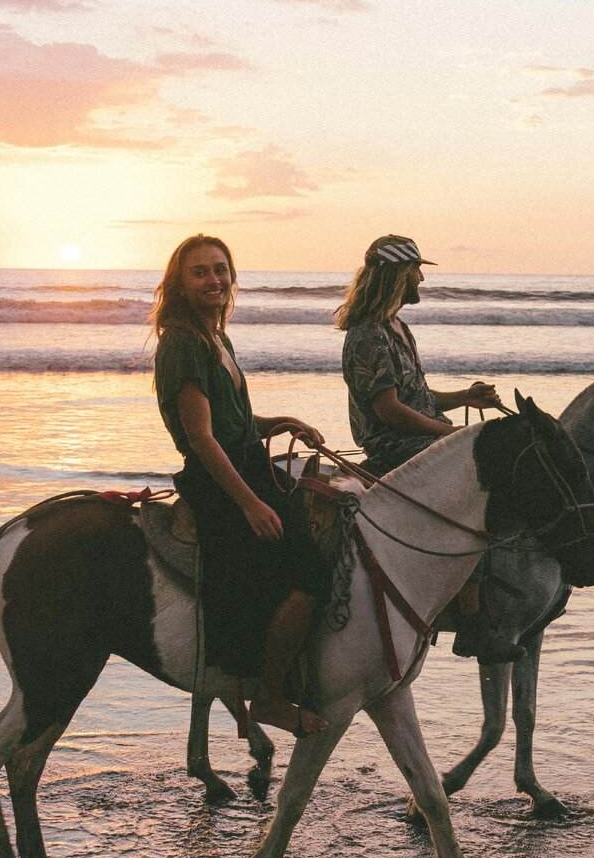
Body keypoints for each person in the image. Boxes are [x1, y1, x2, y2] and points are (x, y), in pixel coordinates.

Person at [151, 235, 332, 737]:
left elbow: (234, 419)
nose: (213, 280)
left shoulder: (217, 336)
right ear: (179, 284)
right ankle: (270, 698)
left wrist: (281, 422)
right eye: (199, 272)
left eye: (220, 270)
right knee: (311, 573)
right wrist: (250, 504)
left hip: (247, 463)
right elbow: (202, 438)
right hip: (220, 481)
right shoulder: (184, 342)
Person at [335, 234, 501, 475]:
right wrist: (450, 433)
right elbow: (389, 410)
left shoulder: (398, 327)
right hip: (398, 448)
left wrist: (465, 397)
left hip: (422, 440)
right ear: (399, 273)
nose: (422, 278)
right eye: (416, 269)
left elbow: (415, 399)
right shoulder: (368, 336)